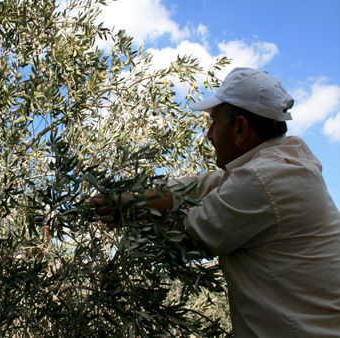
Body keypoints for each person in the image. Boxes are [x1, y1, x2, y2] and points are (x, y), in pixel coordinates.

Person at [90, 68, 340, 337]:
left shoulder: (265, 180)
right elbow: (196, 188)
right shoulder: (282, 162)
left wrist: (131, 211)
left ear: (241, 128)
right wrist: (132, 201)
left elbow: (189, 230)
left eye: (214, 123)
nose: (209, 135)